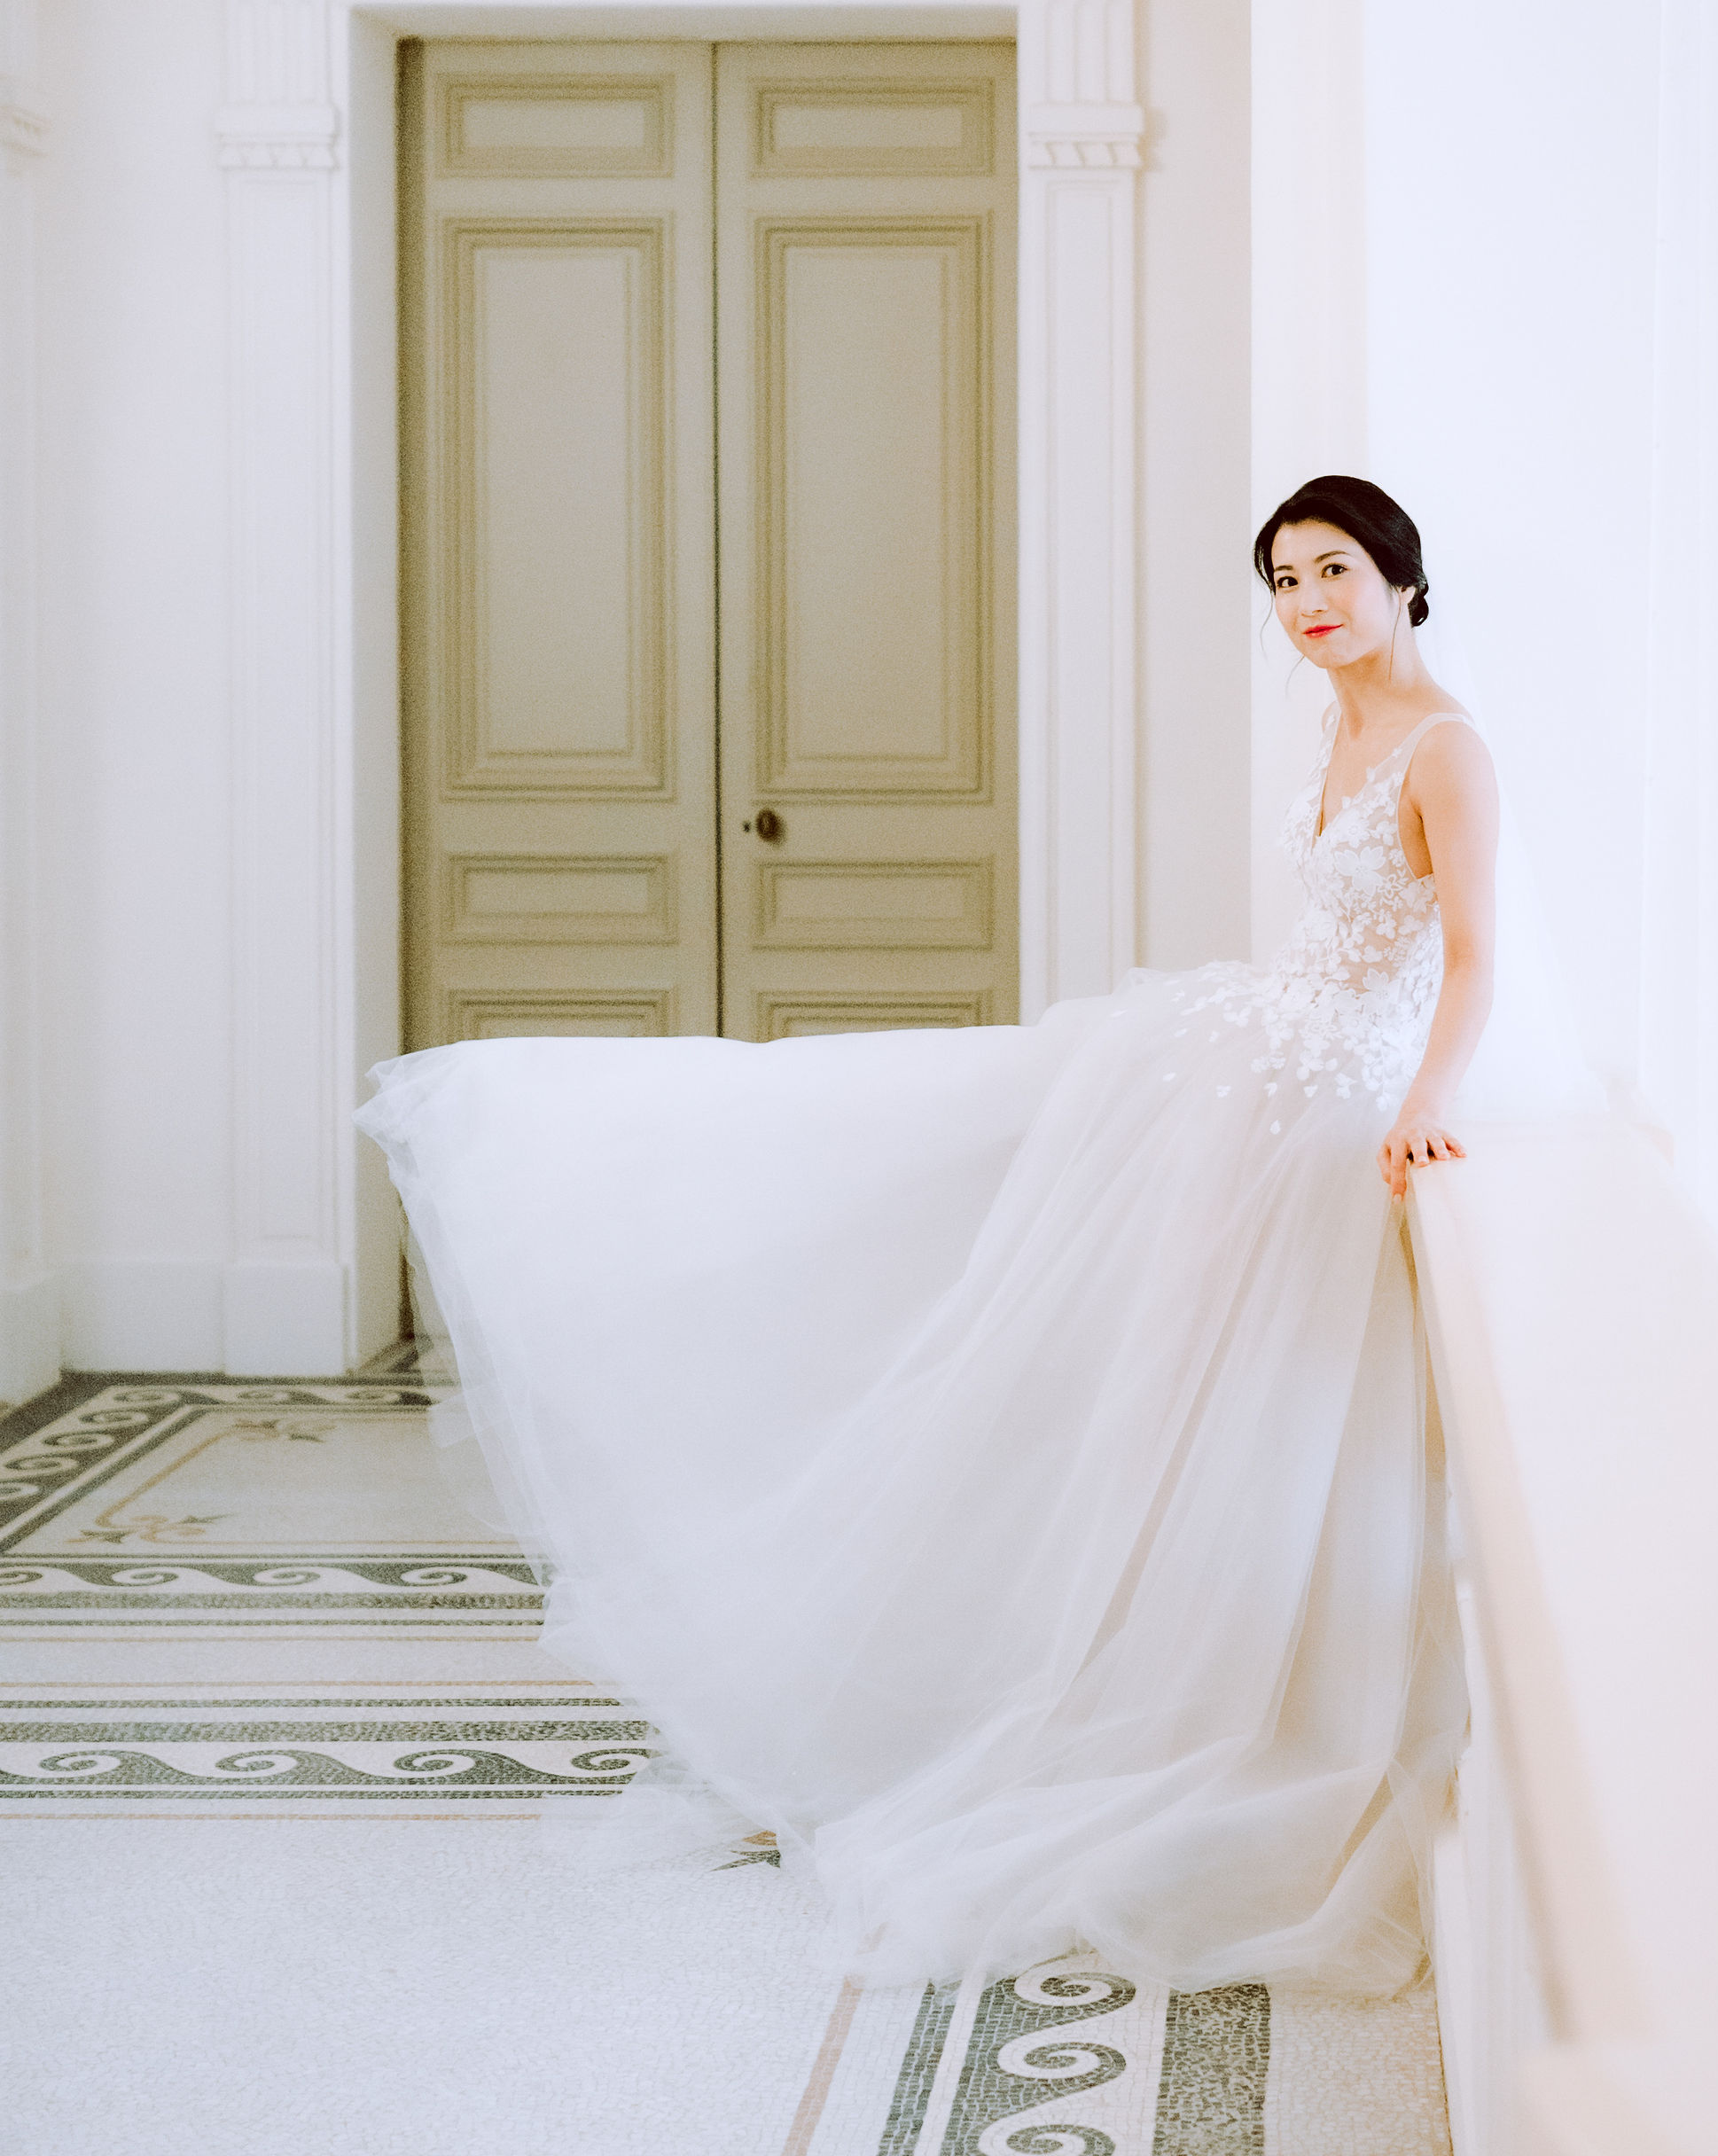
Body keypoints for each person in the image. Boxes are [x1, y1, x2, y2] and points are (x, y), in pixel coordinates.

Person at [358, 473, 1498, 1999]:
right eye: (1284, 580)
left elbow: (1472, 955)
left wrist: (1425, 1101)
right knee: (1086, 1309)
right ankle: (1123, 1668)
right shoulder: (1336, 727)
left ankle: (1246, 1697)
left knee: (1260, 1403)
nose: (1306, 606)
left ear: (1402, 577)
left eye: (1333, 571)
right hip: (1254, 1072)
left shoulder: (1446, 747)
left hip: (1335, 1103)